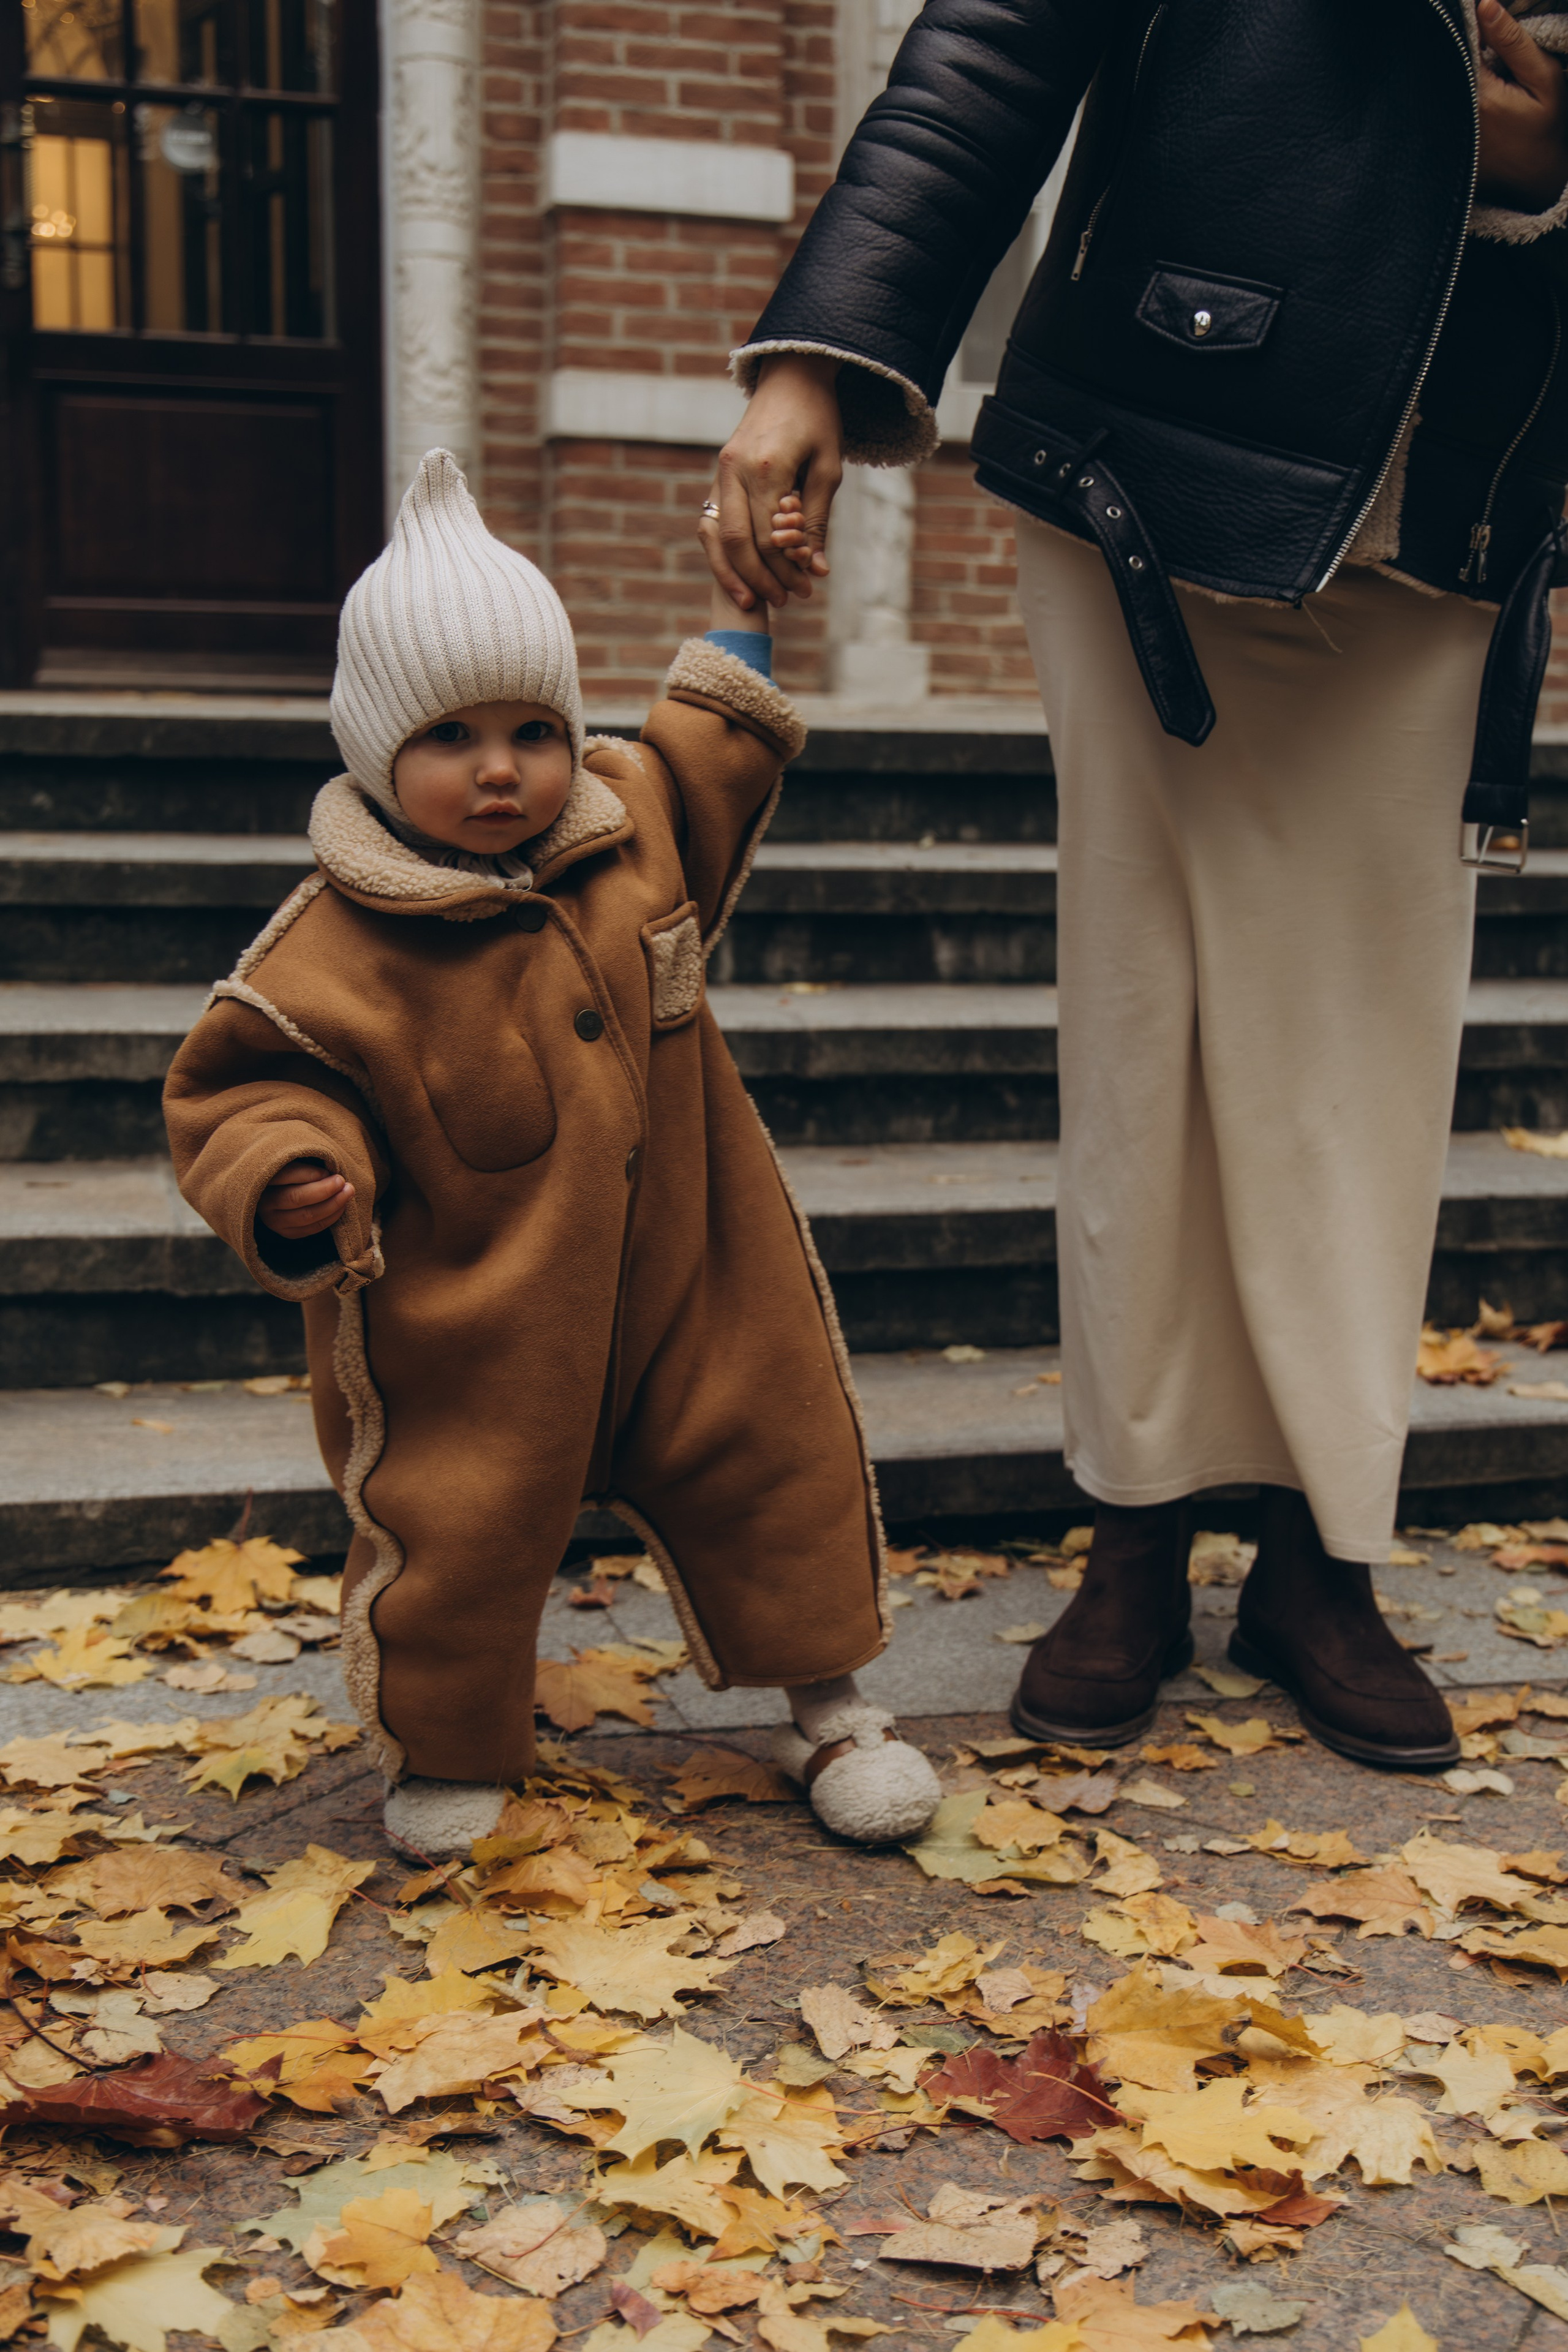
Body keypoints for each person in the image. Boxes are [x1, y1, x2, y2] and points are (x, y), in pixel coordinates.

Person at [701, 0, 1568, 1771]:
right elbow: (986, 59)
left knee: (1365, 1063)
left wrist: (1551, 172)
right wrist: (818, 362)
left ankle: (1321, 1548)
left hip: (1452, 497)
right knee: (1143, 1020)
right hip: (1156, 462)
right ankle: (1139, 1526)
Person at [163, 450, 942, 1859]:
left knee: (777, 1468)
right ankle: (447, 1746)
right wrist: (288, 1175)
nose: (501, 766)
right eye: (451, 736)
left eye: (534, 728)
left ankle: (829, 1708)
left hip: (696, 1273)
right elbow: (242, 1093)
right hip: (480, 1319)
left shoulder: (626, 829)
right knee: (455, 1527)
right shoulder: (328, 953)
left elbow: (705, 751)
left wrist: (740, 600)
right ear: (375, 751)